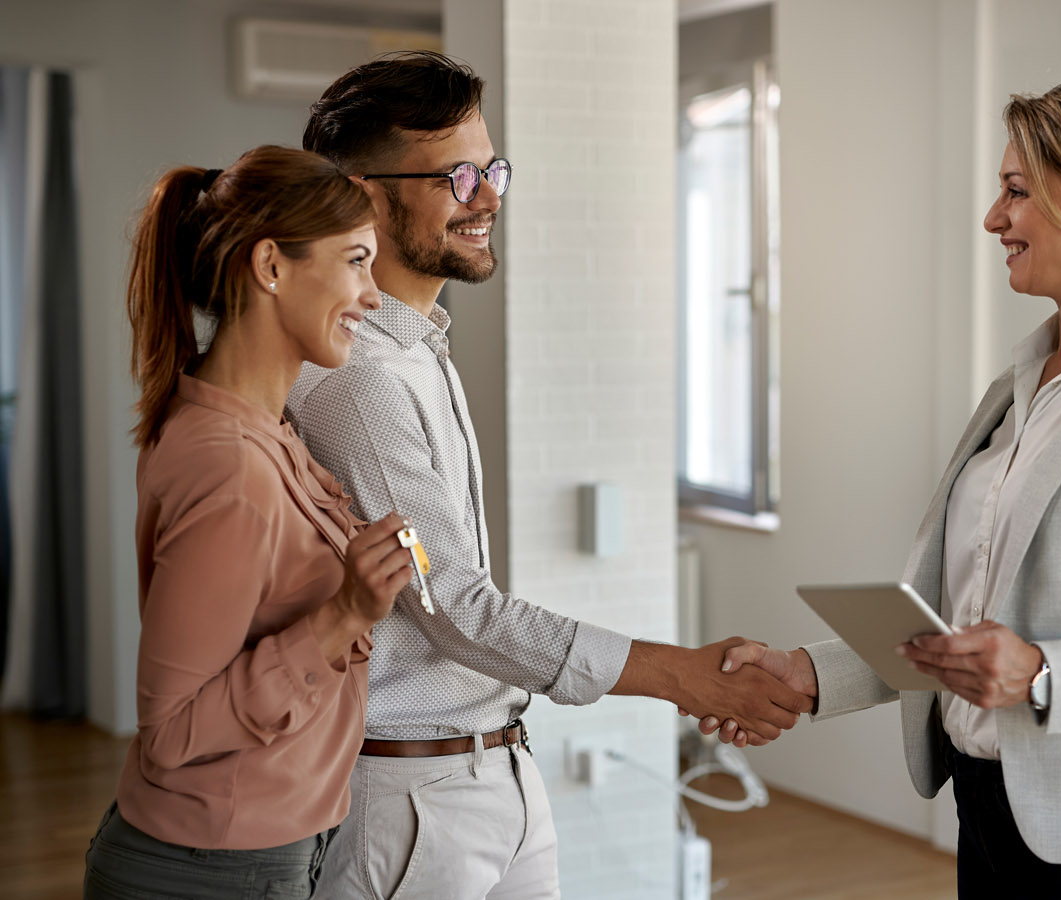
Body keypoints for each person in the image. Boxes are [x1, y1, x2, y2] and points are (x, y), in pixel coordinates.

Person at [707, 79, 1061, 899]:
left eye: (1017, 192)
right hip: (991, 819)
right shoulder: (1023, 380)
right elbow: (968, 628)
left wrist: (1046, 674)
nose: (993, 218)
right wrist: (809, 672)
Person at [287, 51, 810, 899]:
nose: (489, 195)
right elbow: (452, 604)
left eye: (492, 168)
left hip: (496, 774)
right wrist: (680, 676)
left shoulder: (419, 348)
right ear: (363, 195)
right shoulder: (358, 380)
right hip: (412, 802)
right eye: (458, 174)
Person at [83, 146, 415, 899]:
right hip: (214, 871)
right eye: (357, 261)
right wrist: (344, 614)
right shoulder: (231, 463)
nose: (372, 295)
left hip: (252, 855)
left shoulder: (261, 427)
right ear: (271, 266)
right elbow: (170, 733)